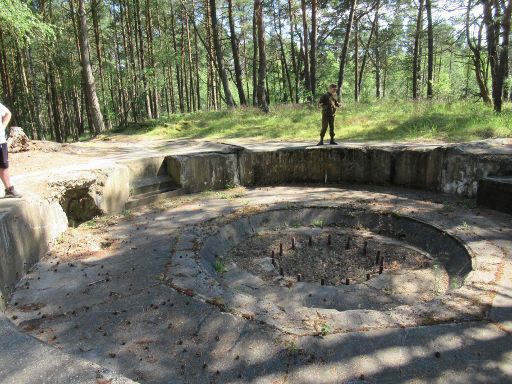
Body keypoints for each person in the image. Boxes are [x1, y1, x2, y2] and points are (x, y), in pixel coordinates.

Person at [0, 102, 22, 198]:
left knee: (3, 165)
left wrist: (2, 127)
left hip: (0, 140)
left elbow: (8, 113)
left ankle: (9, 189)